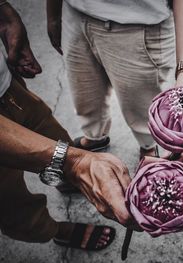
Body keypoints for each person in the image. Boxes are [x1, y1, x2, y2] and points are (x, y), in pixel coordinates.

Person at [0, 1, 132, 250]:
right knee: (11, 203)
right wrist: (75, 162)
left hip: (7, 86)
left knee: (51, 130)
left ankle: (67, 180)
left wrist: (5, 16)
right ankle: (54, 230)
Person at [46, 0, 175, 158]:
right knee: (84, 91)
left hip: (136, 21)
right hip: (73, 11)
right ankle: (95, 136)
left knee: (140, 103)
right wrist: (53, 14)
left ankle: (149, 148)